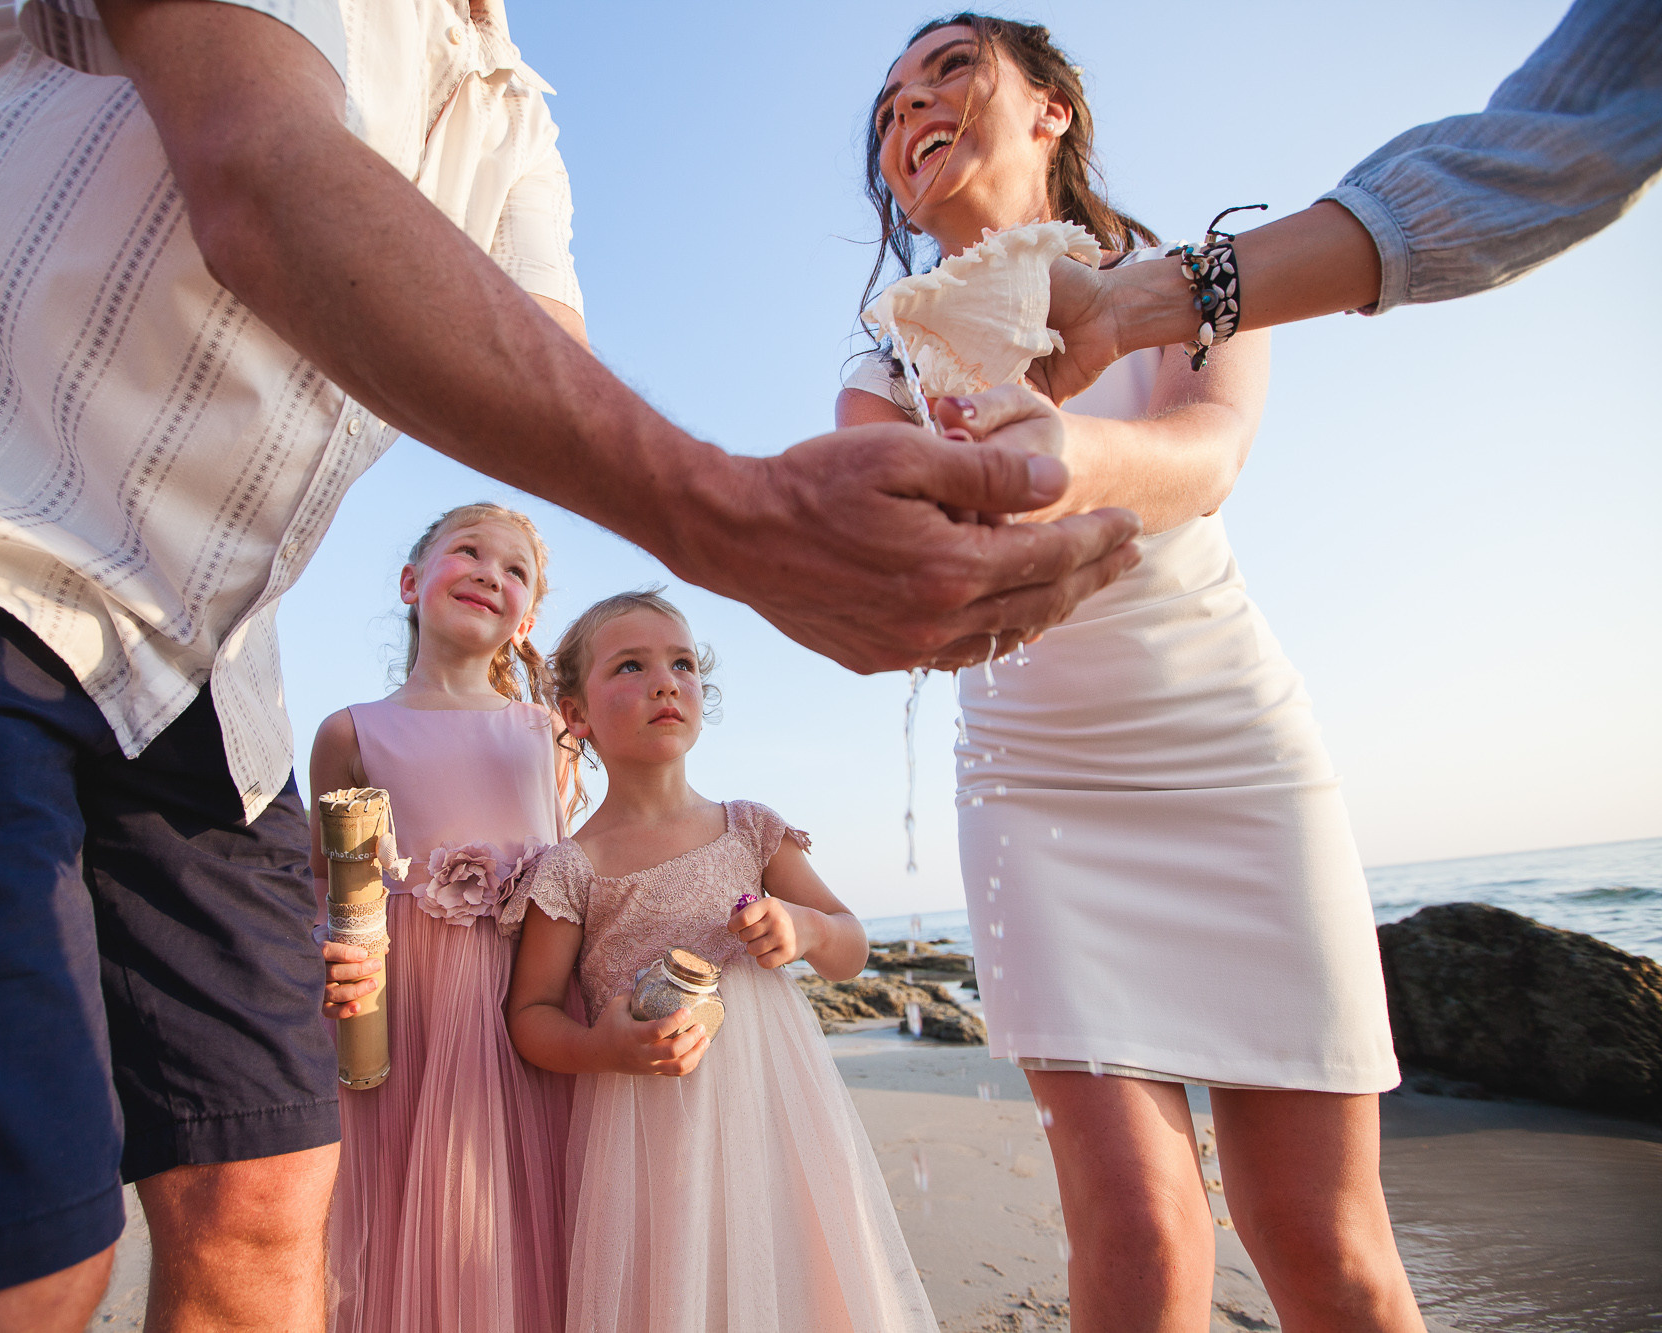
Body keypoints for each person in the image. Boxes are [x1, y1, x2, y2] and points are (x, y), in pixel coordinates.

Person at [0, 0, 1144, 1326]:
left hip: (201, 680)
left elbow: (531, 367)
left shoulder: (515, 115)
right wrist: (733, 515)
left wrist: (789, 519)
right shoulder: (367, 721)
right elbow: (257, 164)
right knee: (8, 1260)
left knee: (268, 1217)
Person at [843, 16, 1427, 1332]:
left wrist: (1059, 456)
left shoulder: (1193, 283)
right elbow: (887, 555)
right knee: (1144, 1230)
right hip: (1034, 789)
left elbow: (1207, 455)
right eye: (885, 107)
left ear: (1051, 110)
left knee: (1322, 1241)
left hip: (1231, 751)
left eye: (946, 71)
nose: (907, 112)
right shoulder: (888, 374)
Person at [502, 590, 938, 1333]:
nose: (665, 681)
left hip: (777, 1110)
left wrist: (803, 927)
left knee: (797, 1278)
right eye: (631, 666)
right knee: (682, 1291)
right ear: (575, 715)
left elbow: (851, 943)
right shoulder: (571, 868)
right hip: (647, 1127)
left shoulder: (751, 829)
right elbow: (529, 1015)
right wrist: (597, 1046)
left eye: (681, 663)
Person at [1035, 0, 1662, 403]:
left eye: (954, 65)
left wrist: (1126, 307)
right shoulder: (931, 344)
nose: (928, 95)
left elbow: (1565, 131)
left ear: (1053, 111)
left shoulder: (1171, 270)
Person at [308, 503, 573, 1332]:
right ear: (411, 581)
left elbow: (567, 877)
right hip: (404, 1018)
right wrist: (327, 956)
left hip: (520, 1009)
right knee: (406, 1225)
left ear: (526, 618)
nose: (493, 572)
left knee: (521, 1225)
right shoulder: (351, 731)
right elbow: (323, 887)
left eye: (516, 568)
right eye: (469, 551)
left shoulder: (548, 732)